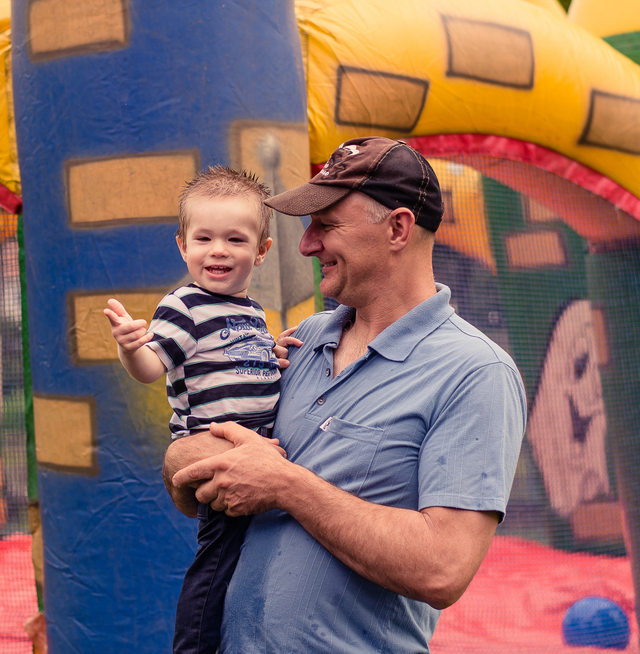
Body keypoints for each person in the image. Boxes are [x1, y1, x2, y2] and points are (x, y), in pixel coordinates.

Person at [165, 137, 527, 653]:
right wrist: (187, 454)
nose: (306, 244)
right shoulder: (301, 341)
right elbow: (198, 481)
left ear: (398, 228)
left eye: (326, 225)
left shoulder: (475, 372)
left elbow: (443, 569)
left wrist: (287, 486)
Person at [104, 165, 284, 654]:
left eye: (235, 239)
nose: (218, 250)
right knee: (219, 560)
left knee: (253, 563)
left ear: (261, 252)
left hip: (258, 458)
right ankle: (194, 647)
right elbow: (150, 366)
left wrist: (276, 353)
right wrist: (129, 347)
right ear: (183, 246)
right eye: (204, 238)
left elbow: (245, 369)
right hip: (219, 456)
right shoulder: (184, 305)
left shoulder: (252, 313)